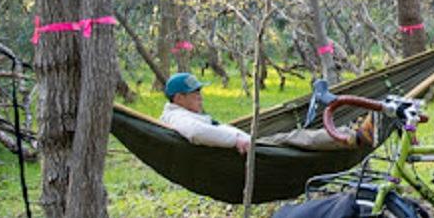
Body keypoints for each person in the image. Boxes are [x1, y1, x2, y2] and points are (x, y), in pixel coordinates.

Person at [160, 72, 373, 154]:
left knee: (293, 136)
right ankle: (351, 135)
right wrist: (236, 138)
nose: (200, 96)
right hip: (248, 151)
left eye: (199, 91)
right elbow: (197, 133)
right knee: (294, 138)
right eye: (194, 93)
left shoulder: (178, 114)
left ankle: (350, 133)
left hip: (247, 145)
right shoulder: (178, 117)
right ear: (178, 98)